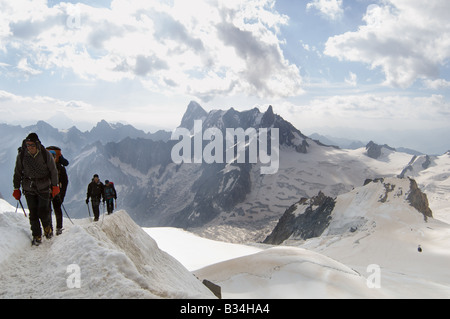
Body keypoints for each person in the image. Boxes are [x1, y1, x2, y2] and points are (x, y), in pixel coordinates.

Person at [13, 133, 60, 245]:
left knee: (43, 211)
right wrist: (16, 188)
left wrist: (55, 186)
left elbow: (53, 171)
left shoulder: (45, 154)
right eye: (28, 145)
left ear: (37, 144)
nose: (29, 147)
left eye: (32, 145)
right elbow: (17, 172)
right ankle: (37, 235)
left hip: (44, 187)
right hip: (29, 187)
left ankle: (47, 228)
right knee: (33, 213)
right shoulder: (22, 155)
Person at [47, 147, 69, 235]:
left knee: (48, 210)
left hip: (49, 192)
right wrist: (62, 194)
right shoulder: (61, 168)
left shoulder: (45, 168)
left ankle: (50, 229)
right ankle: (58, 228)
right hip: (57, 192)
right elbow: (65, 183)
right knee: (57, 209)